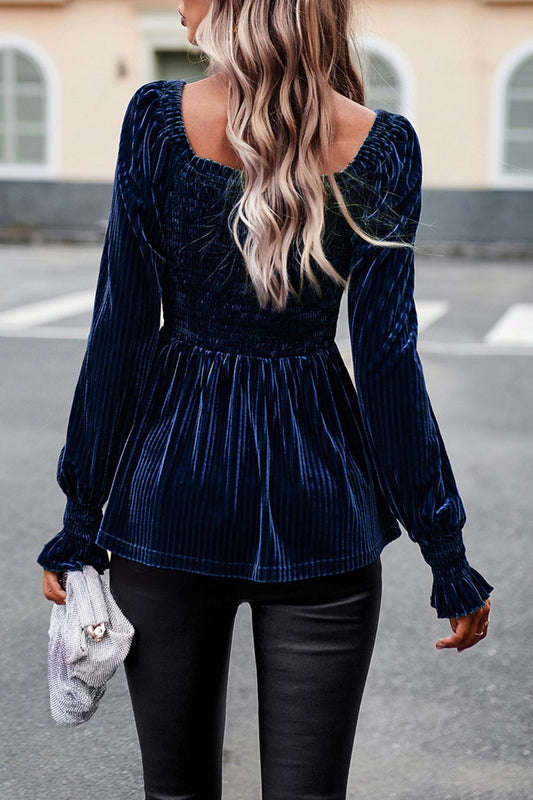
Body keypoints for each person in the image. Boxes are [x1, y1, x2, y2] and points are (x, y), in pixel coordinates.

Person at [38, 1, 493, 798]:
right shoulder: (384, 145)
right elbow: (388, 365)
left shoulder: (156, 120)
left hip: (167, 500)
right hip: (323, 508)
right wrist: (444, 553)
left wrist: (82, 520)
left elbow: (121, 331)